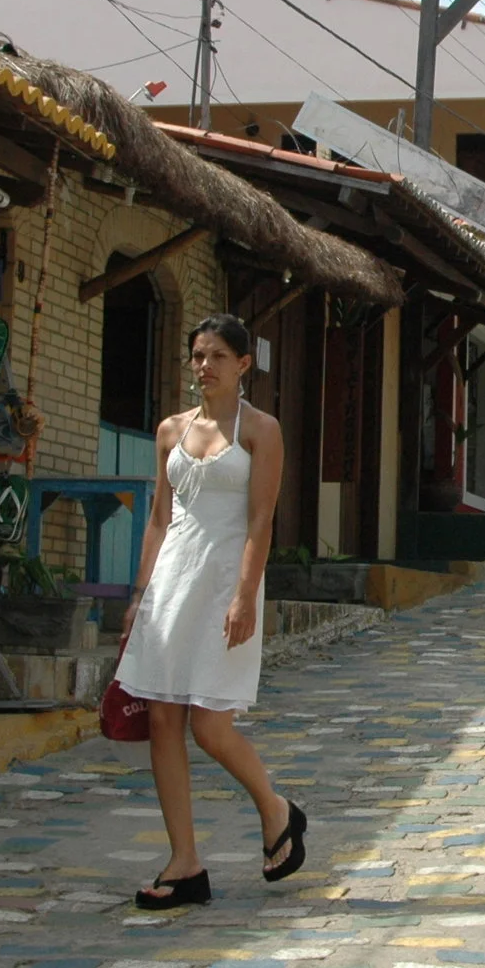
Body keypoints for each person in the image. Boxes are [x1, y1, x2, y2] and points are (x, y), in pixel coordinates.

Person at [113, 314, 305, 907]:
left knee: (210, 725)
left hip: (226, 581)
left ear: (243, 364)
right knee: (163, 721)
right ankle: (185, 862)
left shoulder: (261, 430)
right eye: (198, 355)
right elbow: (157, 519)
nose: (205, 366)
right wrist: (140, 595)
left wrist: (246, 594)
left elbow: (261, 518)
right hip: (172, 583)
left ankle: (276, 810)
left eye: (219, 355)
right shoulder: (170, 429)